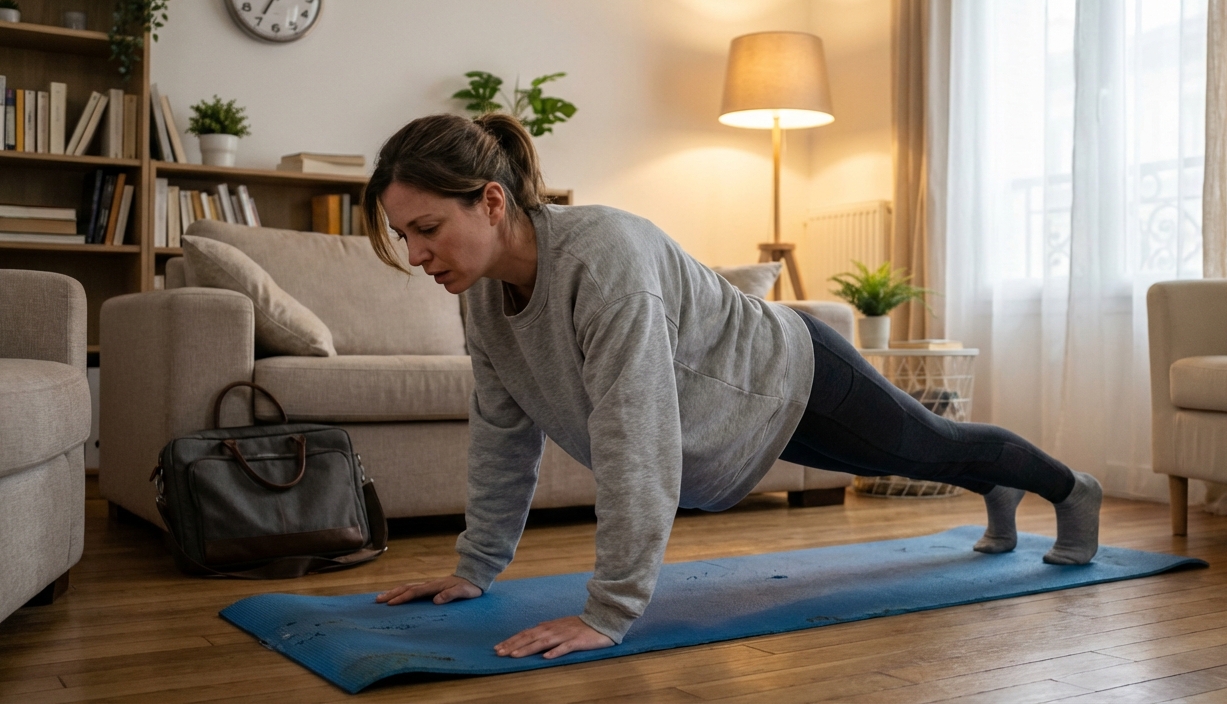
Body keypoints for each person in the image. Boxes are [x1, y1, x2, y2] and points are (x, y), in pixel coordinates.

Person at [368, 113, 1103, 661]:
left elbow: (636, 434)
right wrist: (475, 568)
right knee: (925, 457)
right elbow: (503, 436)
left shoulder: (603, 259)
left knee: (932, 448)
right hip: (742, 412)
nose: (415, 254)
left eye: (425, 227)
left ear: (491, 202)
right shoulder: (480, 299)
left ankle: (1070, 490)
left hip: (793, 373)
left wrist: (609, 610)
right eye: (404, 236)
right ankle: (994, 487)